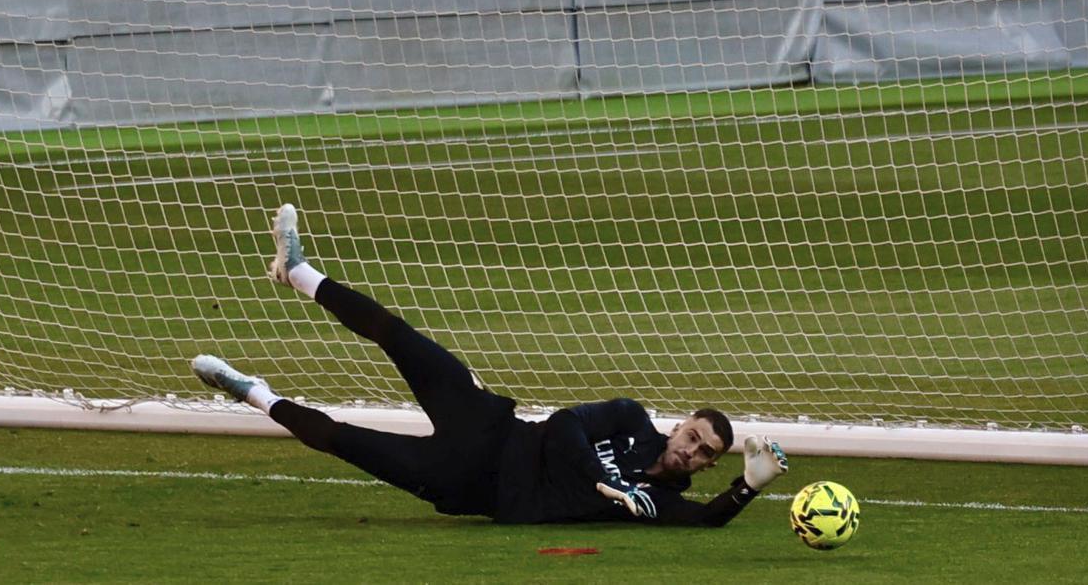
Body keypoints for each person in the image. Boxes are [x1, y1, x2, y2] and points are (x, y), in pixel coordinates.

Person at [191, 204, 790, 526]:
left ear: (708, 465)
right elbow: (566, 423)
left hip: (472, 485)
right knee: (400, 338)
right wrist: (599, 479)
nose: (692, 451)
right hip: (491, 424)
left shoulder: (659, 501)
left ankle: (252, 392)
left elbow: (706, 521)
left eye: (706, 453)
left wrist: (750, 485)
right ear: (681, 424)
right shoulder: (631, 419)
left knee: (342, 440)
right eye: (694, 436)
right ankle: (298, 272)